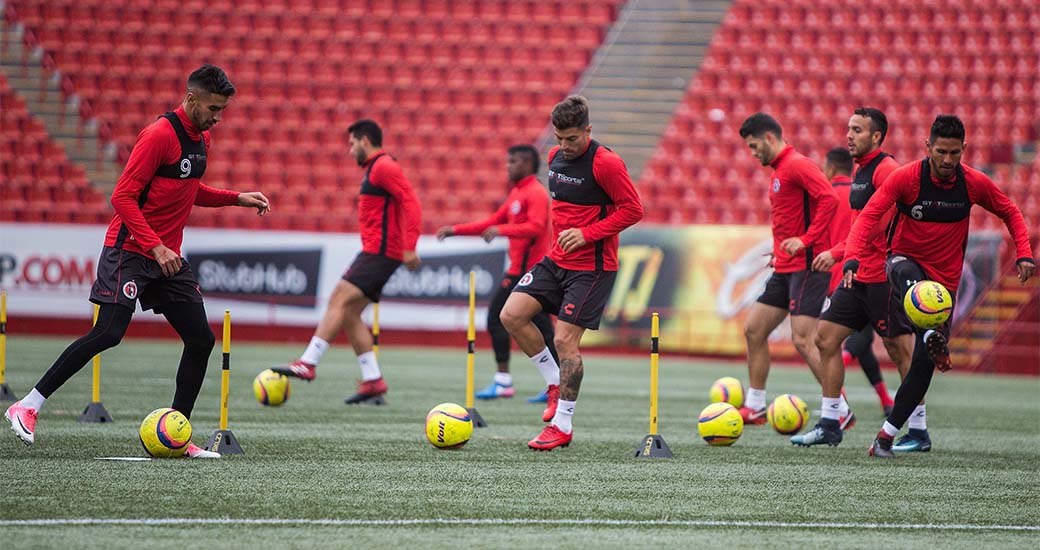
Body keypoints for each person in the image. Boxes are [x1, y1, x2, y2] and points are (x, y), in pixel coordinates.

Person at [4, 65, 270, 458]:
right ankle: (28, 404)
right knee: (109, 333)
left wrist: (236, 198)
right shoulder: (159, 135)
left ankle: (176, 435)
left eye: (222, 110)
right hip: (129, 250)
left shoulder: (202, 139)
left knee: (201, 339)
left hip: (166, 258)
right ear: (191, 98)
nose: (218, 117)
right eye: (214, 108)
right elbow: (122, 197)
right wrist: (156, 247)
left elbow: (188, 189)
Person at [842, 114, 1035, 458]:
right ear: (928, 146)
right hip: (903, 261)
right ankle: (930, 332)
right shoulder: (906, 178)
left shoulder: (972, 183)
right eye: (941, 151)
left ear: (964, 149)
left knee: (921, 365)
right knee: (906, 275)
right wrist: (851, 258)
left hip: (944, 284)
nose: (947, 160)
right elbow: (869, 215)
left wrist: (1024, 253)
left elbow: (1010, 211)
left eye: (954, 153)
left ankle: (887, 437)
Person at [499, 96, 643, 450]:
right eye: (559, 138)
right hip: (556, 261)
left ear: (588, 130)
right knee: (511, 315)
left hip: (592, 268)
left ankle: (562, 425)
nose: (565, 146)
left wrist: (587, 234)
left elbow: (633, 210)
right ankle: (553, 381)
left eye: (572, 139)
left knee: (565, 341)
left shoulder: (606, 163)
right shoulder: (553, 158)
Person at [791, 109, 917, 448]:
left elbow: (881, 223)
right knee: (825, 339)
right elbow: (860, 224)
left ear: (876, 136)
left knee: (899, 350)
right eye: (849, 128)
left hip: (882, 276)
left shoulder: (887, 170)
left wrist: (841, 252)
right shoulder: (862, 170)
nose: (849, 135)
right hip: (858, 274)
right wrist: (843, 253)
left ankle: (918, 429)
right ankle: (831, 423)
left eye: (857, 130)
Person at [272, 119, 422, 404]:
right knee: (351, 312)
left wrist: (410, 246)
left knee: (338, 298)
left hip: (380, 252)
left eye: (352, 144)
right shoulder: (376, 168)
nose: (350, 150)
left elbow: (411, 202)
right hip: (379, 251)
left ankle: (308, 362)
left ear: (365, 141)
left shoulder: (384, 166)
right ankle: (373, 380)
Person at [735, 113, 847, 427]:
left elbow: (829, 198)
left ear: (770, 138)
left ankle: (839, 408)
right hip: (786, 267)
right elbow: (790, 217)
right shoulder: (780, 170)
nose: (753, 153)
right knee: (754, 330)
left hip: (808, 267)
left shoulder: (797, 164)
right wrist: (781, 251)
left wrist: (807, 240)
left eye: (754, 146)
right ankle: (755, 405)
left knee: (804, 339)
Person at [436, 145, 559, 401]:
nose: (508, 166)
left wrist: (502, 231)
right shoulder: (517, 192)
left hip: (528, 272)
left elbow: (536, 227)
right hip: (522, 271)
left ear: (528, 164)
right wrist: (456, 230)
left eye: (513, 162)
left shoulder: (536, 193)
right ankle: (557, 383)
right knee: (542, 327)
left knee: (496, 317)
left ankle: (505, 381)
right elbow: (493, 221)